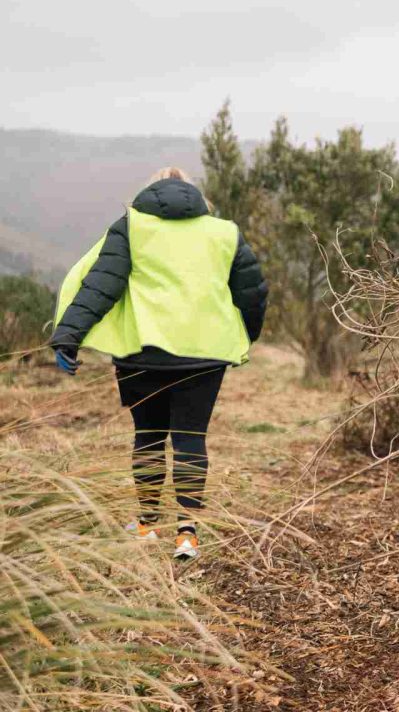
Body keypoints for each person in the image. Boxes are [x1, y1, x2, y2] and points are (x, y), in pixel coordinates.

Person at [50, 168, 268, 561]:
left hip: (141, 353)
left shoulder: (131, 226)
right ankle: (187, 533)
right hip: (204, 355)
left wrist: (69, 334)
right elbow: (251, 292)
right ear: (196, 194)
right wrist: (248, 334)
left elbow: (101, 283)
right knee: (190, 438)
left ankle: (148, 523)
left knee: (148, 435)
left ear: (149, 191)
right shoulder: (224, 232)